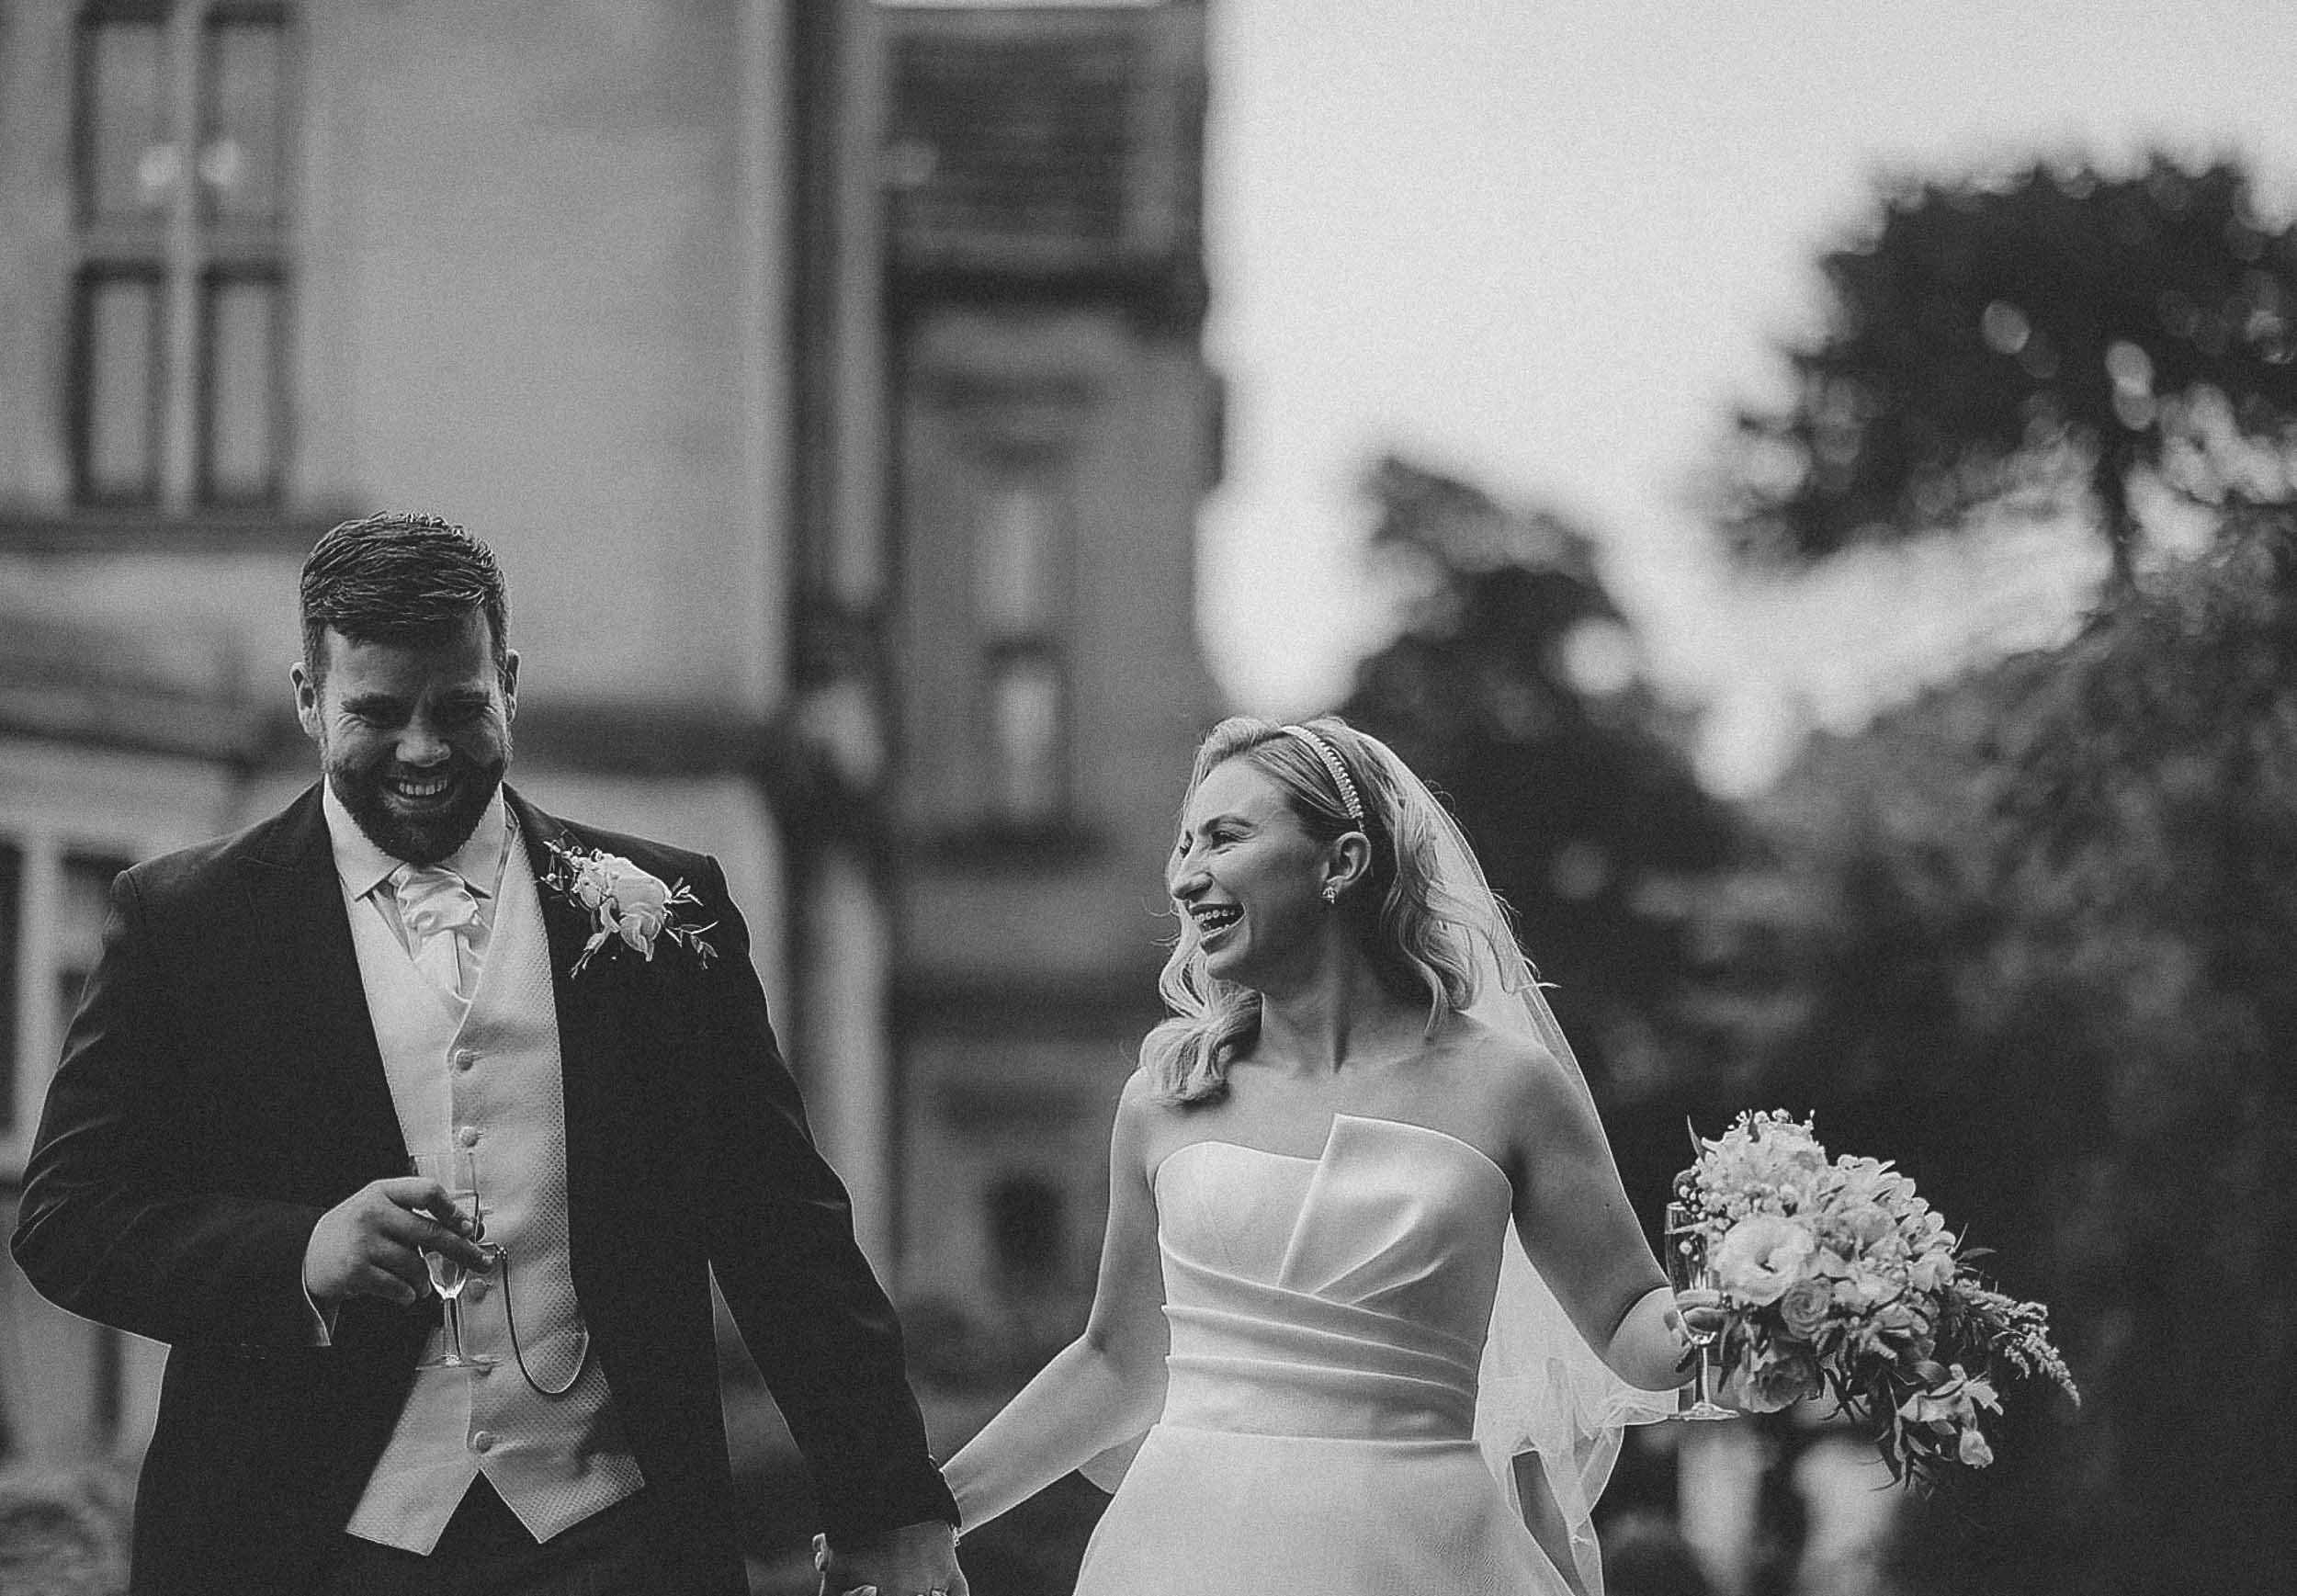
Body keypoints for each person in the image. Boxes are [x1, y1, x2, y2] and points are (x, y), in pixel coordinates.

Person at [11, 514, 966, 1596]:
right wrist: (300, 1252)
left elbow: (783, 1228)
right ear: (309, 699)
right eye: (377, 714)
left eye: (459, 709)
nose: (423, 750)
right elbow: (68, 1218)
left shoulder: (664, 910)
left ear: (506, 683)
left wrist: (889, 1501)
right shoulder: (187, 921)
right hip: (304, 1547)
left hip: (617, 1540)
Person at [942, 715, 1715, 1596]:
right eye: (1185, 845)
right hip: (1188, 1555)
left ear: (1340, 862)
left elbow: (1627, 1316)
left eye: (1225, 837)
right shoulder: (1164, 1099)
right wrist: (926, 1513)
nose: (1186, 876)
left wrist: (1754, 1319)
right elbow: (1117, 1363)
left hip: (1422, 1556)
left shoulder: (1508, 1087)